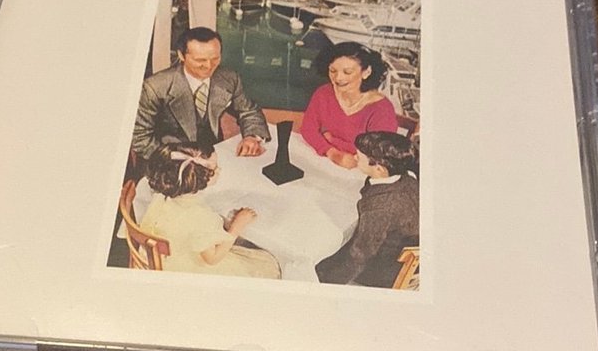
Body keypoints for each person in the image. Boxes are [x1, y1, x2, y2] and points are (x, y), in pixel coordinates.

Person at [139, 143, 281, 279]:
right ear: (198, 177)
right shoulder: (198, 216)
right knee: (266, 265)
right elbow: (212, 259)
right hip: (188, 269)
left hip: (167, 255)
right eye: (215, 169)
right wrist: (237, 226)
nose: (219, 170)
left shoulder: (162, 196)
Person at [131, 26, 270, 160]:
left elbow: (248, 111)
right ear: (181, 55)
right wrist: (177, 159)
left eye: (215, 59)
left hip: (214, 155)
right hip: (169, 159)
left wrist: (252, 137)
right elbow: (139, 137)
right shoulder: (154, 87)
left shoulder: (229, 78)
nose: (209, 66)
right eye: (200, 60)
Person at [316, 131, 418, 288]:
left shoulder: (381, 208)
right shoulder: (407, 176)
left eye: (359, 156)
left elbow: (360, 255)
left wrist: (323, 282)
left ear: (379, 169)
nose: (355, 158)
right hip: (394, 246)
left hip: (382, 270)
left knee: (318, 263)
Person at [300, 42, 398, 169]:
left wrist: (332, 140)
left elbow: (378, 153)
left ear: (366, 72)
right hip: (328, 159)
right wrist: (332, 152)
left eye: (347, 72)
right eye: (333, 70)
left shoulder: (382, 110)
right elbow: (307, 129)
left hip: (363, 169)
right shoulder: (323, 93)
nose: (338, 78)